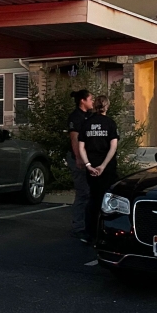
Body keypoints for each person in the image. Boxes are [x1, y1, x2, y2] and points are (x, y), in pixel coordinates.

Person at [78, 95, 119, 243]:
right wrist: (103, 165)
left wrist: (88, 165)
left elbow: (81, 147)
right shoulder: (110, 123)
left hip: (91, 167)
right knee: (108, 199)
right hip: (107, 168)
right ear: (107, 106)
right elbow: (113, 146)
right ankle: (107, 233)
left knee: (93, 199)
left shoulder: (87, 123)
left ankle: (90, 234)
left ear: (95, 106)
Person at [66, 89, 93, 243]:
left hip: (89, 158)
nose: (92, 101)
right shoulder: (75, 117)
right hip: (78, 158)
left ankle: (88, 225)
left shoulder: (89, 116)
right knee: (83, 192)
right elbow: (74, 139)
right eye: (90, 99)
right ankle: (78, 227)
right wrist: (78, 158)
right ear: (82, 101)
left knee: (90, 193)